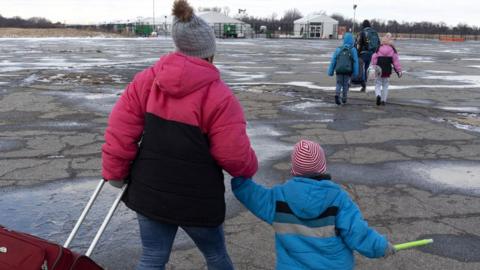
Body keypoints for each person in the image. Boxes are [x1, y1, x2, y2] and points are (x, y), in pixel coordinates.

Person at [101, 0, 258, 269]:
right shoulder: (219, 96)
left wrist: (114, 172)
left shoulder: (146, 81)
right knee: (216, 256)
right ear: (208, 52)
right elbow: (232, 153)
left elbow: (120, 128)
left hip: (149, 190)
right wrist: (249, 167)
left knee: (152, 256)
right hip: (196, 197)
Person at [231, 140, 396, 270]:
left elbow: (250, 194)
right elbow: (358, 233)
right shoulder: (339, 199)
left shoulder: (277, 199)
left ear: (294, 169)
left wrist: (239, 178)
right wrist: (381, 247)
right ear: (323, 167)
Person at [371, 33, 403, 106]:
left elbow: (374, 58)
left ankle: (378, 95)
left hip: (378, 70)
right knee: (385, 85)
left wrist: (373, 66)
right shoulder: (392, 50)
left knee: (377, 84)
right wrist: (399, 71)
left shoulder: (379, 48)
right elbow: (396, 62)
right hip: (387, 70)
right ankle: (383, 100)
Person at [328, 32, 359, 105]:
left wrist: (331, 71)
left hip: (339, 70)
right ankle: (344, 98)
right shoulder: (353, 49)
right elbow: (355, 62)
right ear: (352, 40)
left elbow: (333, 61)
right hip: (348, 71)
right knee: (345, 84)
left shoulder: (338, 49)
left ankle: (337, 94)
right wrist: (355, 72)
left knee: (339, 83)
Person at [356, 20, 380, 92]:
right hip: (372, 53)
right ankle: (365, 83)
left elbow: (358, 43)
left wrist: (358, 53)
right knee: (367, 68)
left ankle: (362, 83)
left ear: (363, 25)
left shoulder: (362, 32)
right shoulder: (374, 32)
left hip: (363, 53)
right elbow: (378, 43)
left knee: (360, 68)